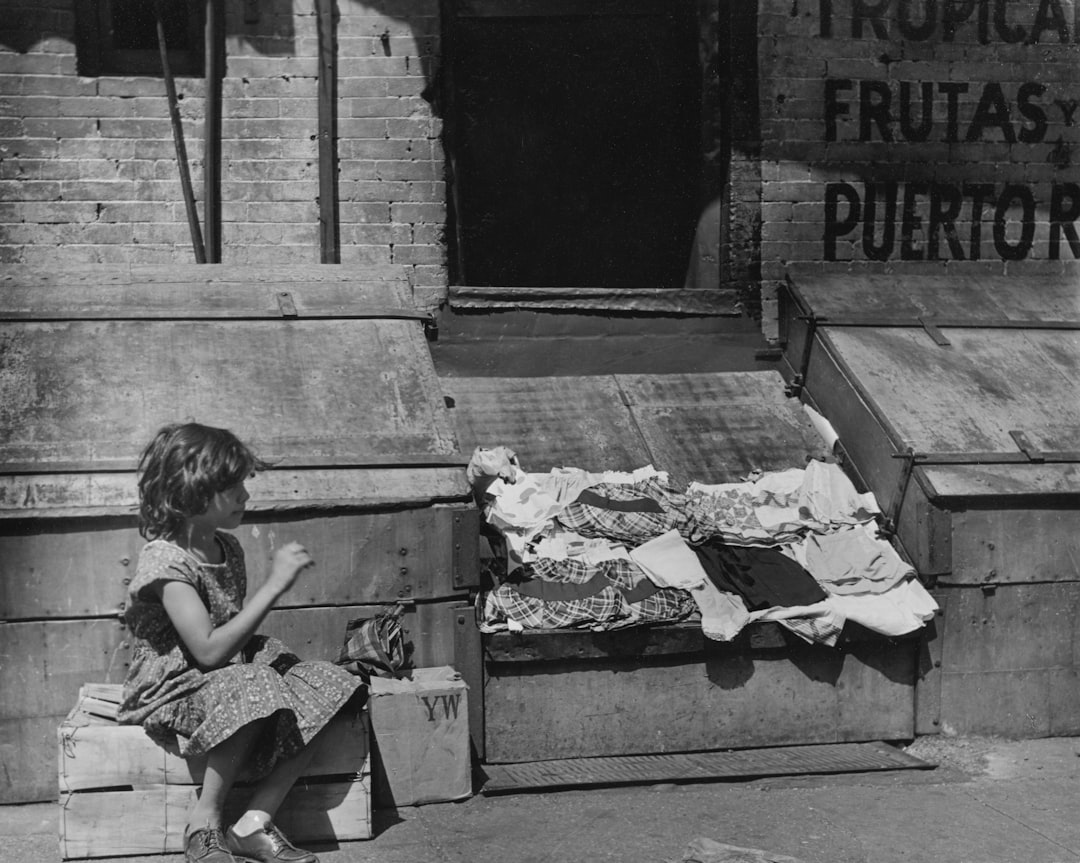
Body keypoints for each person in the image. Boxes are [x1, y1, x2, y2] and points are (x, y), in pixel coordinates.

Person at [119, 422, 363, 863]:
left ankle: (253, 822)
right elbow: (208, 650)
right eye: (232, 488)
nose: (245, 497)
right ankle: (203, 823)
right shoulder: (165, 561)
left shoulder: (228, 547)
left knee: (328, 680)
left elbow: (230, 638)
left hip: (223, 675)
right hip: (173, 686)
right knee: (257, 682)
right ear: (192, 492)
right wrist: (275, 586)